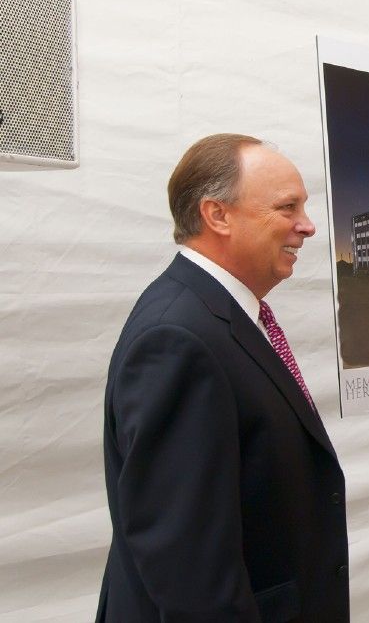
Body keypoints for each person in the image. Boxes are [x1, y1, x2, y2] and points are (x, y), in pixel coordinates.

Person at [97, 134, 349, 622]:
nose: (308, 225)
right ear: (217, 215)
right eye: (287, 207)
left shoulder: (217, 315)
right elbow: (191, 573)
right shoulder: (177, 339)